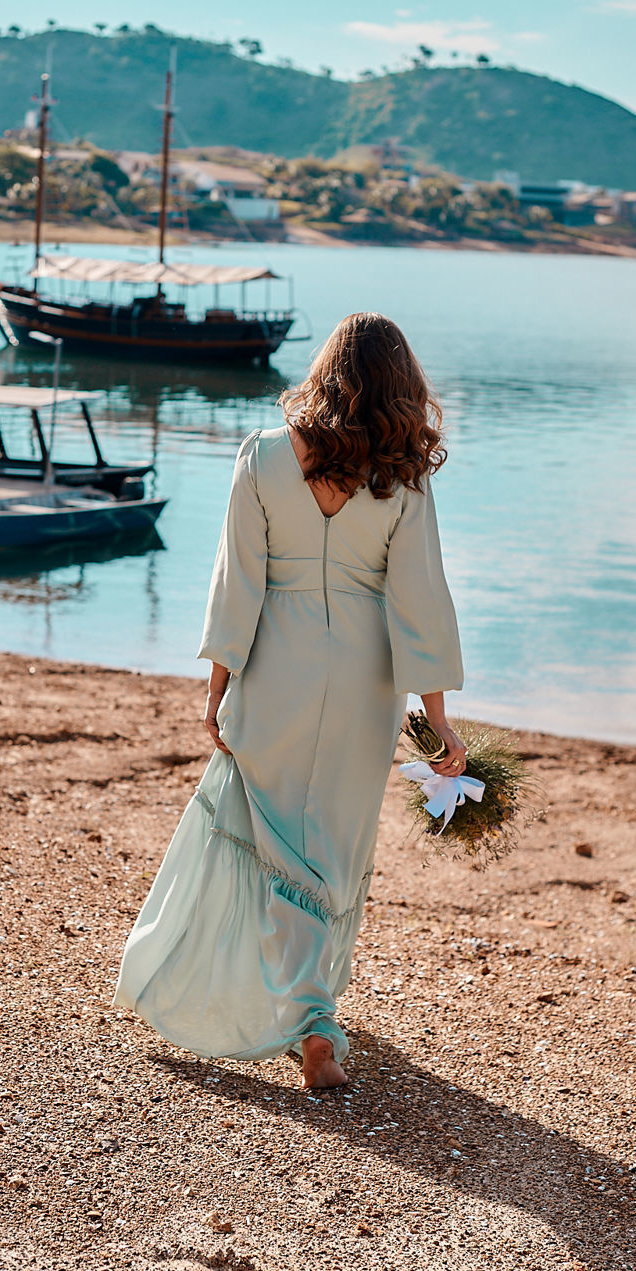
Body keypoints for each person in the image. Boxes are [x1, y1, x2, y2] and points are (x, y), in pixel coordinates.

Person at [113, 313, 465, 1088]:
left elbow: (237, 584)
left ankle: (297, 1010)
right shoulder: (404, 474)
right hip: (364, 679)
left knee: (267, 831)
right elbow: (421, 603)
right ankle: (311, 1017)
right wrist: (437, 723)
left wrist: (217, 687)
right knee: (332, 842)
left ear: (326, 372)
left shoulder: (267, 456)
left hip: (277, 665)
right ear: (401, 384)